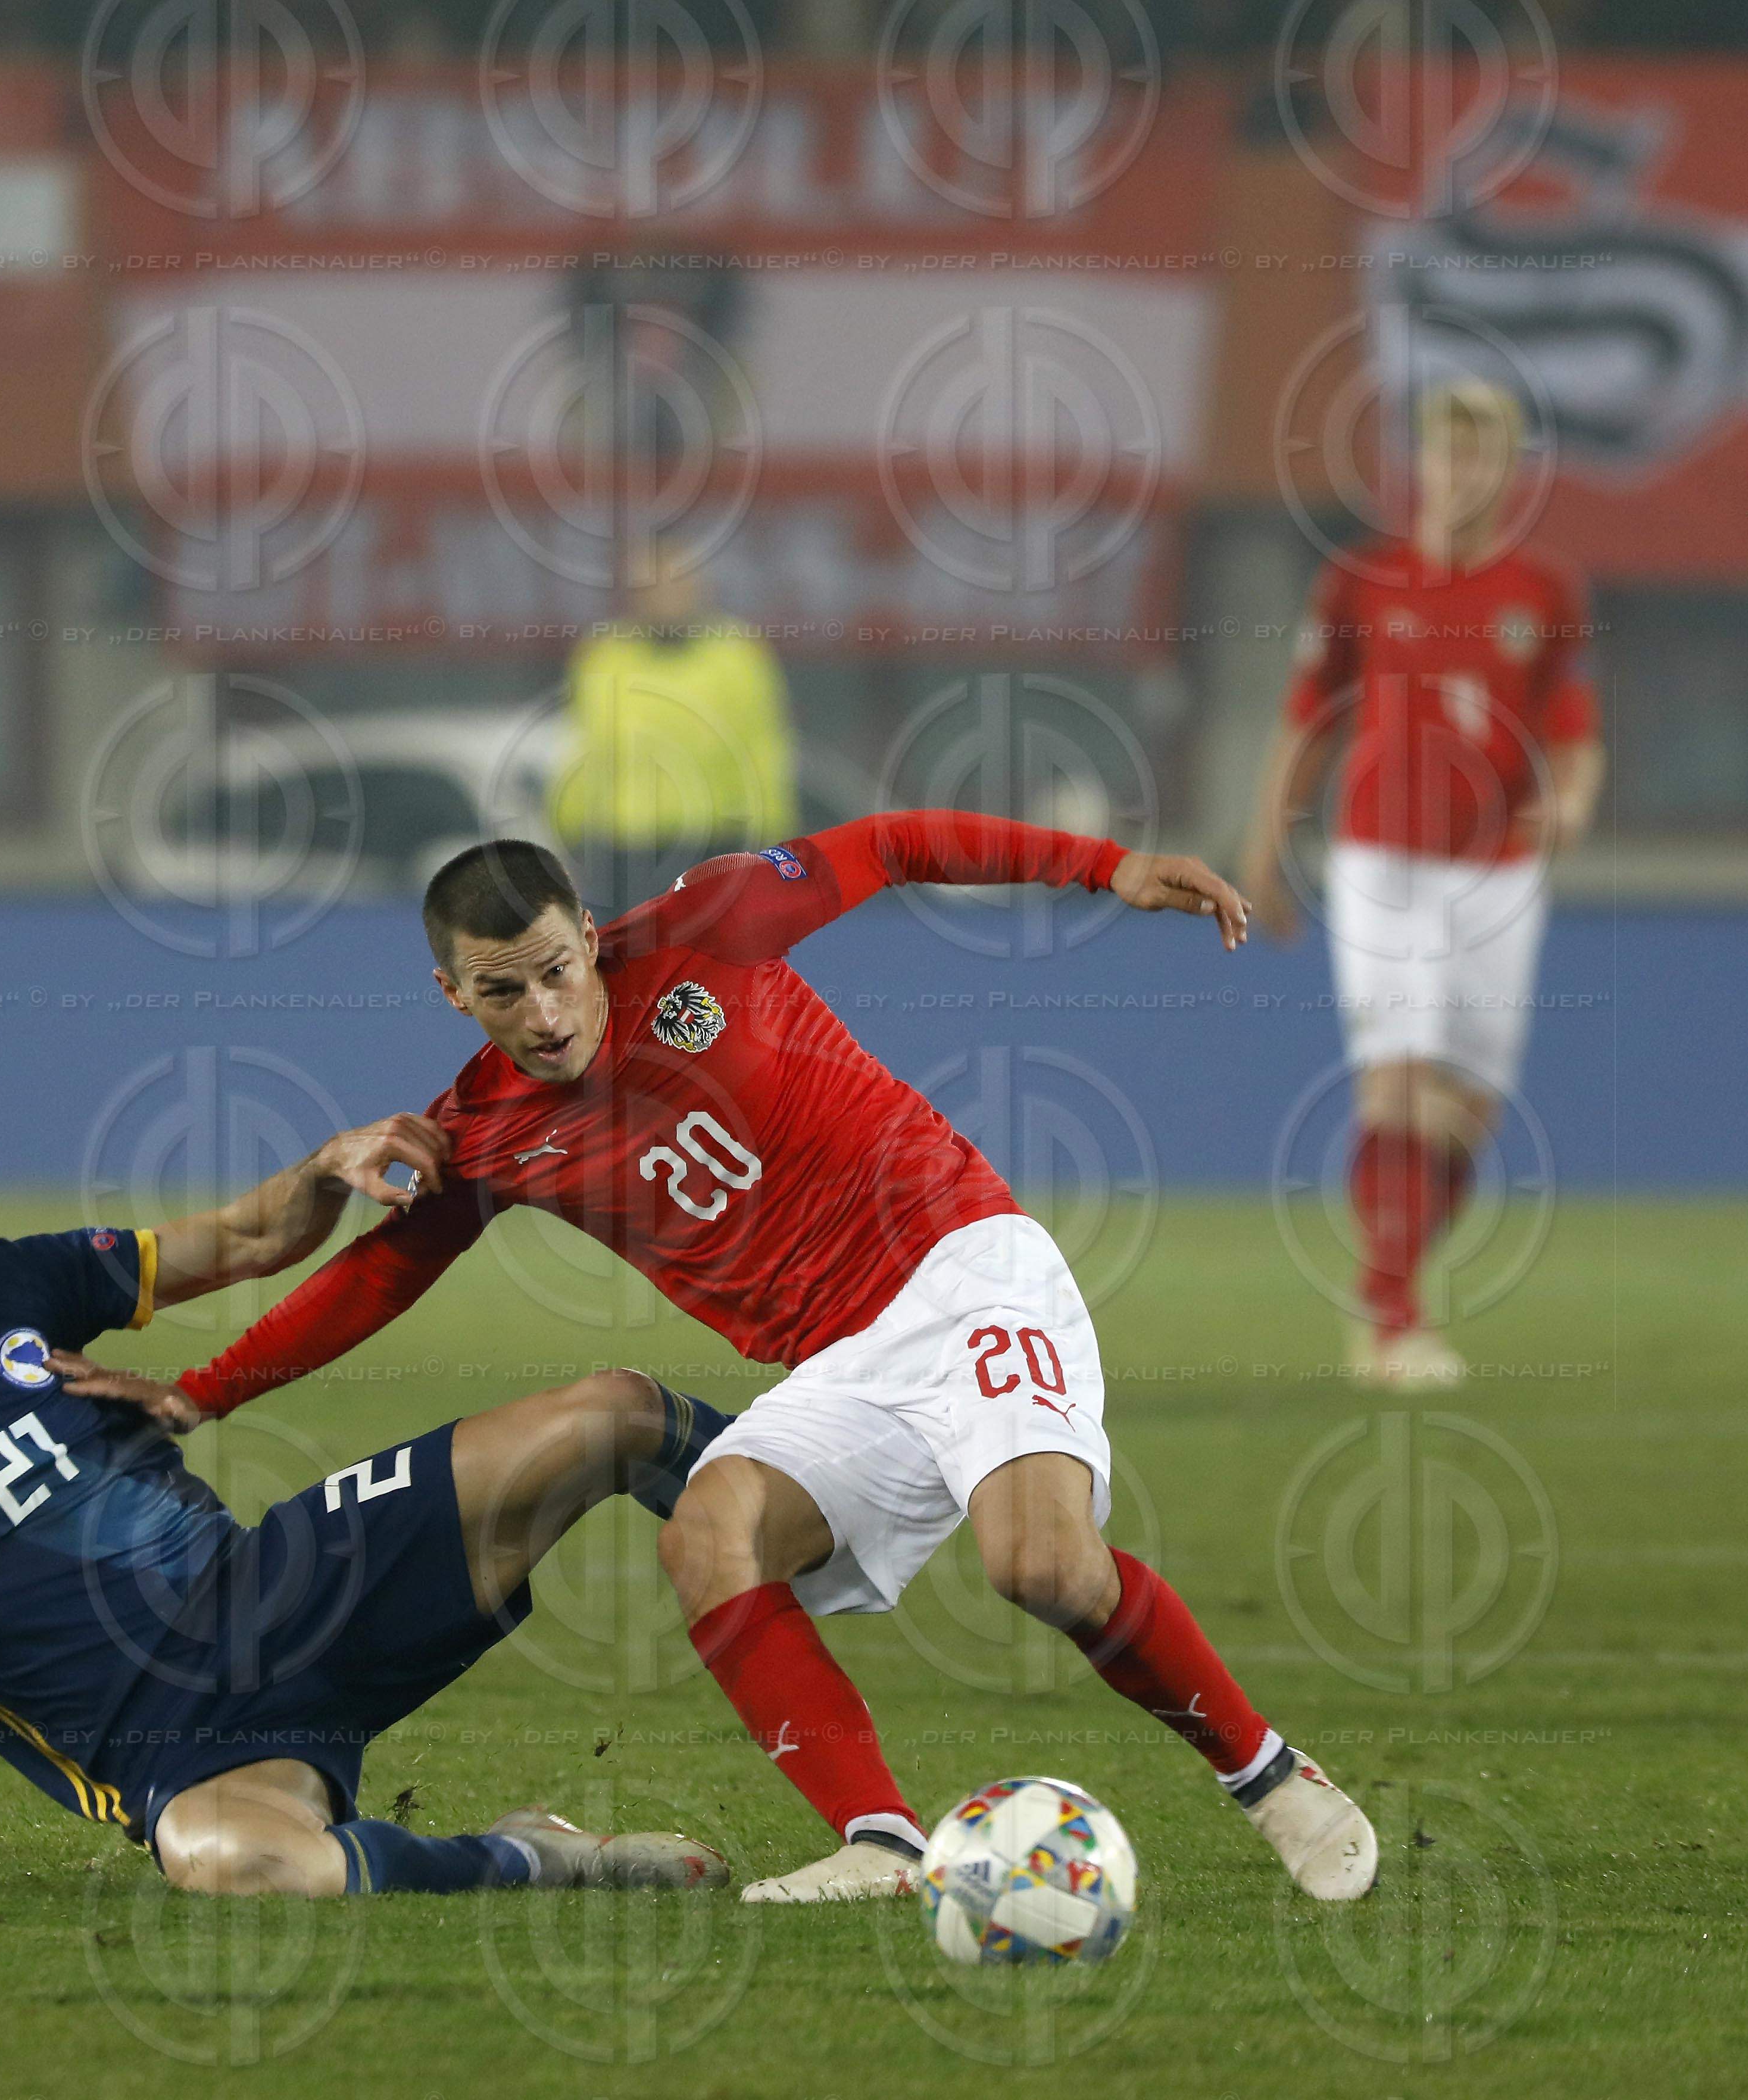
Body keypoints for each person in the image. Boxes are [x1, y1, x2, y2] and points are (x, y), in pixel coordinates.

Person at [164, 813, 1380, 1905]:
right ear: (450, 992)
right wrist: (196, 1395)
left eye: (556, 970)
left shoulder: (712, 922)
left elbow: (893, 843)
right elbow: (372, 1280)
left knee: (1044, 1567)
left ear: (586, 933)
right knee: (709, 1530)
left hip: (961, 1264)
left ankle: (1272, 1777)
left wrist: (1105, 866)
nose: (543, 1013)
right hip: (839, 1364)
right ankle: (881, 1840)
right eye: (501, 990)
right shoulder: (480, 1133)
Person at [0, 1115, 733, 1899]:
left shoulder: (11, 1283)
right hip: (176, 1744)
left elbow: (242, 1238)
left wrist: (324, 1168)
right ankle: (534, 1856)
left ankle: (806, 1512)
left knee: (610, 1413)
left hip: (288, 1582)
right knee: (237, 1865)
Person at [1240, 377, 1603, 1386]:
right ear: (1424, 465)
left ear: (1510, 471)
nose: (1461, 471)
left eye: (1482, 453)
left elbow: (1573, 729)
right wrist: (1266, 843)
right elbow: (1307, 716)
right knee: (1396, 1077)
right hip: (1380, 857)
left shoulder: (1544, 593)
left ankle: (1387, 1285)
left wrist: (1573, 800)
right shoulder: (1364, 580)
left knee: (1468, 1109)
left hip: (1497, 870)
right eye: (1447, 451)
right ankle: (1395, 1314)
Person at [548, 540, 794, 918]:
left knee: (710, 952)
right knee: (626, 952)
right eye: (653, 586)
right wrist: (567, 836)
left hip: (716, 843)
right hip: (623, 847)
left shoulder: (737, 656)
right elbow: (585, 752)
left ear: (700, 587)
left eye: (676, 583)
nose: (665, 597)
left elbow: (763, 752)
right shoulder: (605, 656)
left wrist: (774, 845)